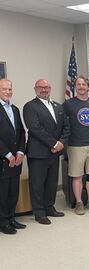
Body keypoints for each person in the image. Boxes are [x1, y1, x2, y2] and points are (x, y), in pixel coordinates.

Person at [23, 79, 69, 225]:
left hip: (55, 152)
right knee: (37, 184)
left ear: (50, 88)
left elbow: (66, 127)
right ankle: (39, 212)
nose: (44, 89)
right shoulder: (30, 106)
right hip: (38, 153)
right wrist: (54, 143)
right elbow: (35, 129)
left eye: (47, 87)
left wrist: (61, 143)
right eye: (41, 87)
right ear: (35, 88)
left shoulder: (58, 106)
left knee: (51, 182)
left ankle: (49, 207)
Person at [63, 76, 89, 215]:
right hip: (75, 145)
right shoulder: (68, 104)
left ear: (88, 86)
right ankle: (79, 203)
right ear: (75, 87)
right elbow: (63, 125)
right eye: (78, 84)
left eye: (83, 84)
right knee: (77, 175)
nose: (81, 87)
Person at [0, 79, 26, 234]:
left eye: (10, 89)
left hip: (16, 160)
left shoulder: (15, 109)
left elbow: (22, 132)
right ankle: (3, 222)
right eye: (4, 89)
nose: (8, 92)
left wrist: (21, 152)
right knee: (2, 192)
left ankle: (11, 218)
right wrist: (8, 155)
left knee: (13, 191)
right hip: (3, 159)